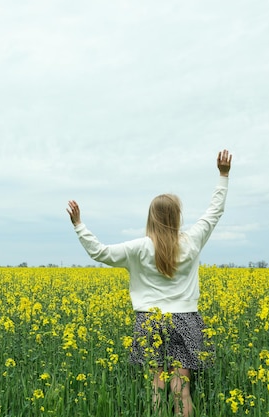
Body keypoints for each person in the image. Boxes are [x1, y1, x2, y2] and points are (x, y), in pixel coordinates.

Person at [66, 149, 232, 416]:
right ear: (177, 217)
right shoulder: (191, 241)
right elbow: (214, 212)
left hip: (149, 321)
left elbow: (100, 252)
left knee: (157, 386)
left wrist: (78, 224)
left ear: (151, 217)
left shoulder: (139, 248)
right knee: (182, 388)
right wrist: (223, 176)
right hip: (185, 319)